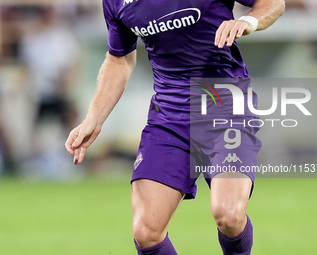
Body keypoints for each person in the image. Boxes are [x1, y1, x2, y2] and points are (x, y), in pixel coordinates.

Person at [65, 0, 285, 254]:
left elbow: (272, 3)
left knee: (229, 216)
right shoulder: (115, 3)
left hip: (225, 107)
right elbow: (120, 59)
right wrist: (94, 118)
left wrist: (249, 21)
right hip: (169, 118)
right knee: (146, 232)